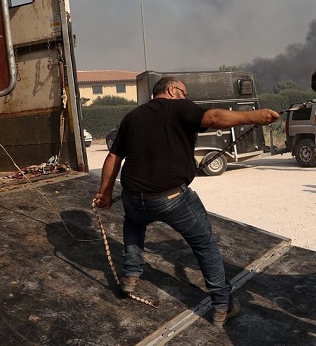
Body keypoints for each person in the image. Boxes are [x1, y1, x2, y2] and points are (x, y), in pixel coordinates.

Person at [93, 77, 279, 327]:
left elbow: (114, 156)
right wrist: (255, 117)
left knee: (134, 224)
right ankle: (222, 305)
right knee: (204, 243)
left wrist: (105, 193)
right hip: (172, 197)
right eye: (184, 92)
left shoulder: (132, 116)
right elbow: (213, 118)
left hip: (133, 197)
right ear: (172, 90)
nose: (186, 97)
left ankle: (129, 277)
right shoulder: (179, 106)